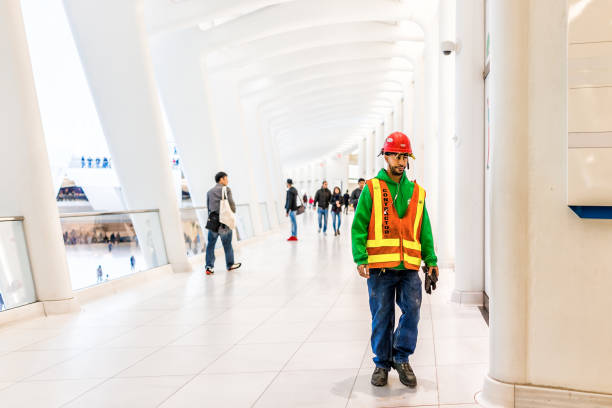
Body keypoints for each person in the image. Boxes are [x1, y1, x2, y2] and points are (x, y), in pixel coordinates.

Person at [351, 131, 439, 388]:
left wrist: (431, 260)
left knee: (412, 312)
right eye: (395, 155)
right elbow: (359, 226)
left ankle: (401, 358)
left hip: (409, 267)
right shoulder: (372, 189)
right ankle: (381, 363)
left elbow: (425, 228)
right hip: (380, 268)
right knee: (382, 315)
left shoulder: (417, 192)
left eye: (404, 156)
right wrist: (360, 257)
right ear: (386, 156)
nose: (400, 161)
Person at [205, 171, 242, 275]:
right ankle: (230, 265)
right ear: (221, 179)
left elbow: (208, 207)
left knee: (210, 245)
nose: (227, 180)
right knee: (227, 244)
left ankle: (209, 267)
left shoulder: (209, 192)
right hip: (224, 222)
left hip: (213, 221)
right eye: (226, 178)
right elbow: (232, 204)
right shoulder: (226, 189)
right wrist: (232, 211)